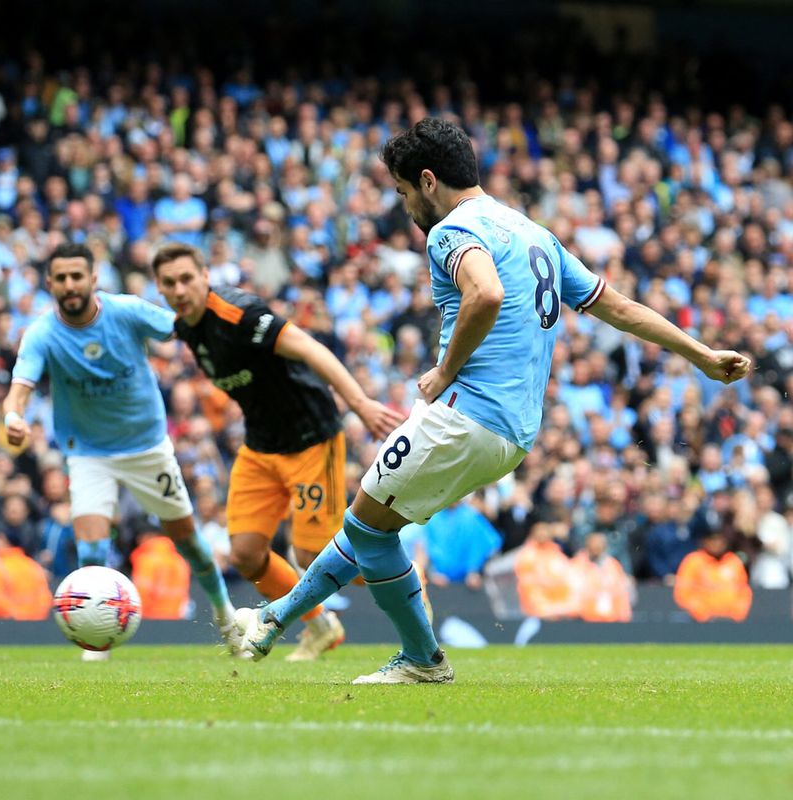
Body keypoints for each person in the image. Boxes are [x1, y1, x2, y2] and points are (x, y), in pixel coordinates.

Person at [233, 118, 751, 683]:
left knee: (368, 529)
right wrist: (700, 354)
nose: (406, 207)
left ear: (428, 181)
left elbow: (486, 292)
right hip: (512, 433)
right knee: (369, 525)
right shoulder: (536, 235)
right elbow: (619, 307)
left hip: (465, 413)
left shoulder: (452, 231)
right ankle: (277, 620)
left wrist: (443, 370)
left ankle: (416, 659)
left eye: (405, 192)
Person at [153, 242, 399, 661]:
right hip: (260, 445)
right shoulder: (184, 325)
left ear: (206, 277)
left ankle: (405, 575)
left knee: (313, 554)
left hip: (310, 438)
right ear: (159, 288)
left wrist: (359, 404)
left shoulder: (240, 314)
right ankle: (320, 626)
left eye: (187, 279)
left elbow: (309, 348)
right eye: (169, 283)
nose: (180, 289)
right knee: (246, 555)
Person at [3, 242, 239, 662]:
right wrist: (13, 418)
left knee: (191, 545)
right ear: (50, 284)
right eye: (61, 278)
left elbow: (182, 326)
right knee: (91, 548)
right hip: (89, 452)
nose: (70, 285)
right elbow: (19, 389)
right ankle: (97, 643)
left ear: (93, 279)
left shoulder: (126, 311)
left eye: (78, 276)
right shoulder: (41, 333)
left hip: (148, 449)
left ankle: (226, 617)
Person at [673, 531, 753, 622]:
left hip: (730, 622)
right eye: (713, 540)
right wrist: (702, 613)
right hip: (699, 622)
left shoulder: (733, 561)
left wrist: (737, 614)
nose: (717, 544)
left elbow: (744, 591)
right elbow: (683, 591)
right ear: (705, 541)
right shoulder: (693, 561)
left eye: (720, 541)